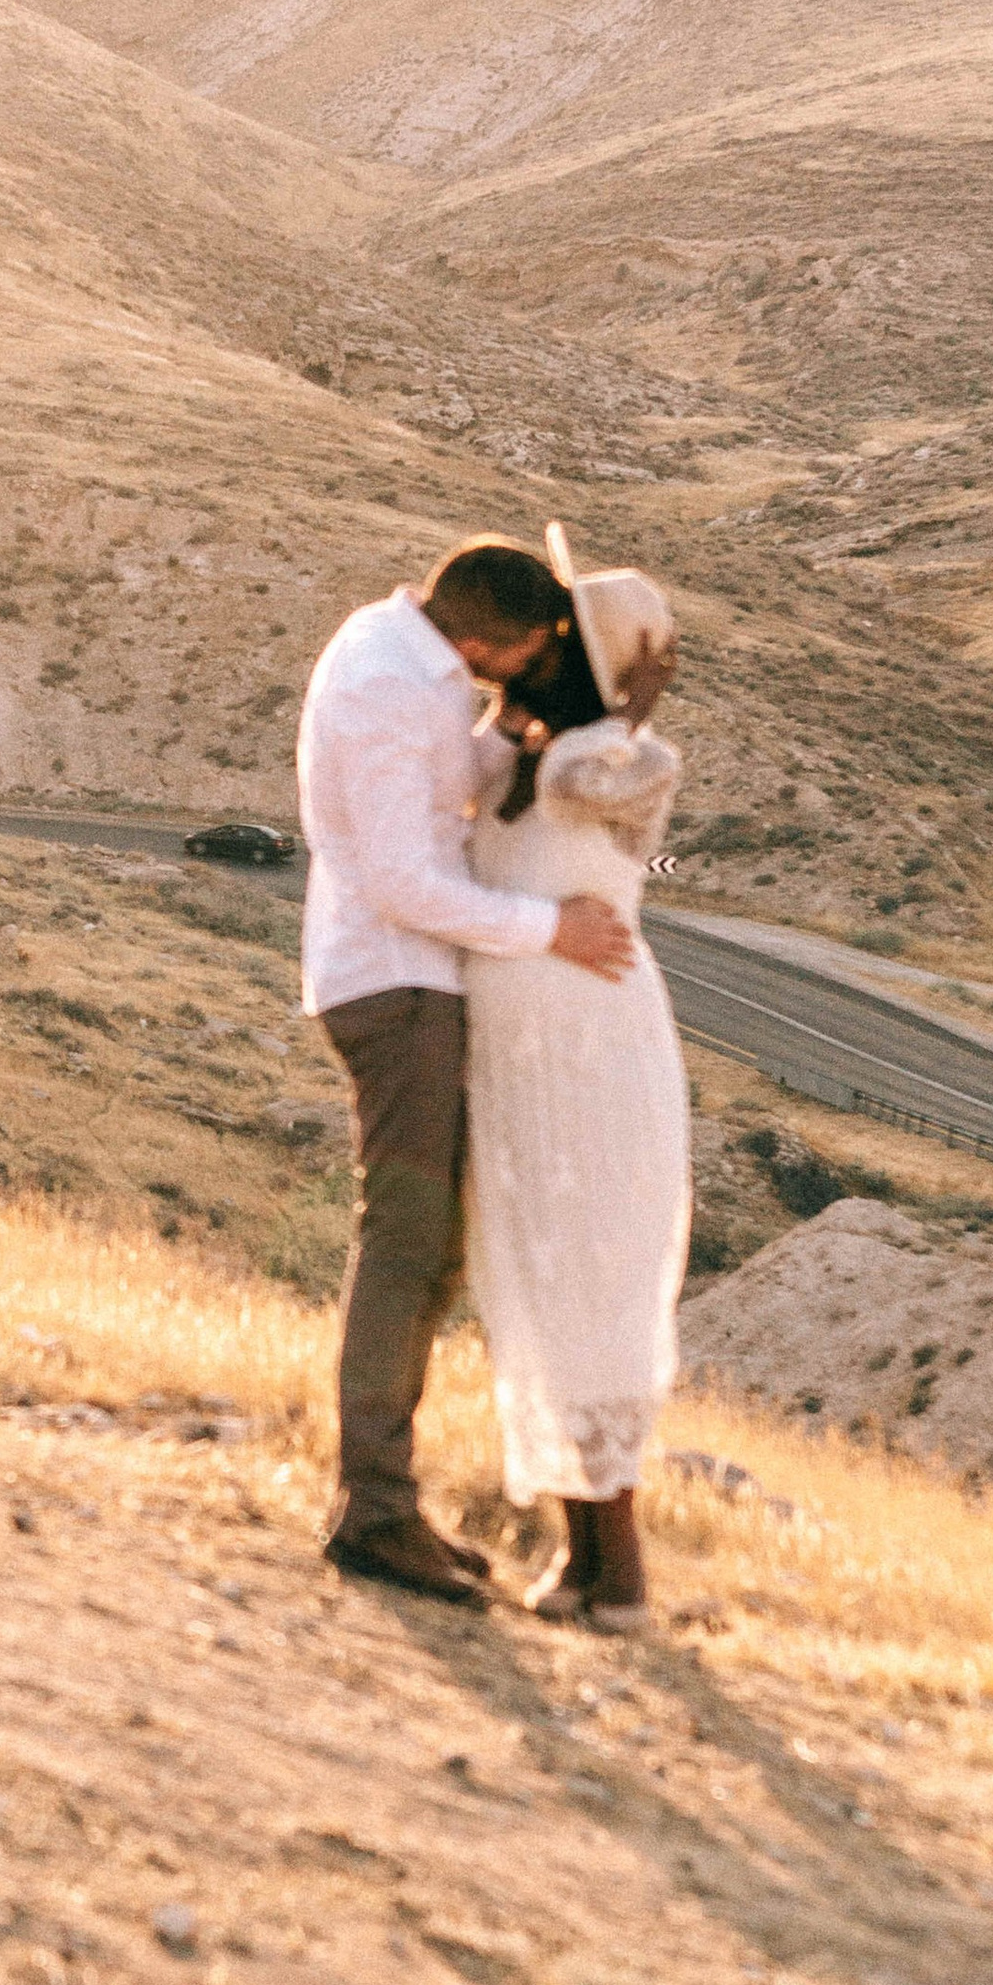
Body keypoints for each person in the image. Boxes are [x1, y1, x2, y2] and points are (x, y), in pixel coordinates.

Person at [295, 538, 639, 1607]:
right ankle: (374, 1510)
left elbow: (439, 802)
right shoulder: (396, 686)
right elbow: (405, 880)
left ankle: (385, 1503)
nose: (537, 667)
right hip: (398, 986)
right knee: (405, 1248)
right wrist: (553, 930)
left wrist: (504, 743)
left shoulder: (407, 661)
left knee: (425, 1250)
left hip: (400, 981)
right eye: (533, 651)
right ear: (489, 639)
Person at [463, 528, 688, 1625]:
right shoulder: (525, 755)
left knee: (590, 1281)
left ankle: (619, 1564)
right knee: (537, 1283)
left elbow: (643, 769)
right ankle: (582, 1554)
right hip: (518, 1057)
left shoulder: (596, 762)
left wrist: (620, 706)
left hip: (589, 1053)